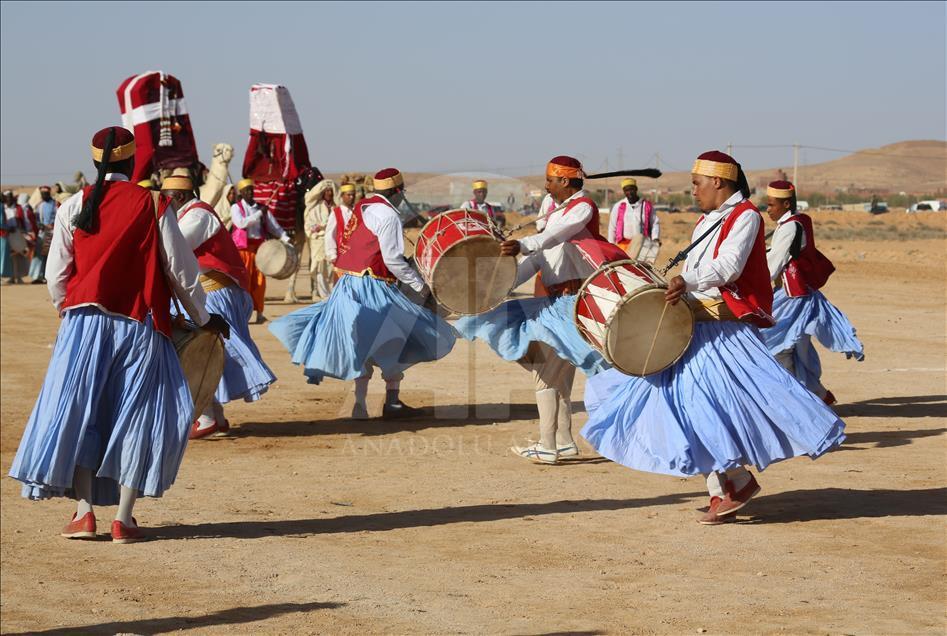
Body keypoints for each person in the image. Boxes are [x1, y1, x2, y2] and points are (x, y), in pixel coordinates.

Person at [580, 151, 846, 525]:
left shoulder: (746, 217)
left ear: (718, 182)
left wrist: (684, 281)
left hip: (723, 329)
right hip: (695, 325)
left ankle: (733, 483)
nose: (693, 191)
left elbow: (729, 266)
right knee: (687, 406)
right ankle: (730, 485)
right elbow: (699, 269)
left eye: (696, 183)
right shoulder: (708, 220)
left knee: (700, 407)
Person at [8, 126, 229, 543]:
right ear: (132, 163)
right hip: (141, 324)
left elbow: (57, 276)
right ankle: (123, 520)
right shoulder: (153, 203)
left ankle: (85, 512)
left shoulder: (75, 204)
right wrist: (203, 318)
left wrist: (70, 310)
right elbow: (180, 271)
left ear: (96, 163)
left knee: (81, 412)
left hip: (83, 323)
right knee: (138, 416)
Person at [456, 156, 625, 464]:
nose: (546, 185)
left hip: (573, 303)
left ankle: (547, 445)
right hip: (552, 302)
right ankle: (563, 439)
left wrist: (523, 244)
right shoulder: (553, 206)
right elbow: (539, 258)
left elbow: (551, 238)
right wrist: (504, 284)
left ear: (564, 181)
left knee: (545, 376)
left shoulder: (582, 207)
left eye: (550, 179)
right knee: (558, 376)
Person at [269, 168, 457, 419]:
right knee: (395, 338)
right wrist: (419, 285)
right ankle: (392, 403)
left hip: (348, 283)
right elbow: (392, 259)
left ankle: (360, 404)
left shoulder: (363, 206)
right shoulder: (389, 215)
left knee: (362, 342)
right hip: (373, 285)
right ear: (397, 191)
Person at [161, 175, 277, 439]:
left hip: (213, 293)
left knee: (198, 352)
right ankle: (215, 416)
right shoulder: (186, 215)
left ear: (179, 197)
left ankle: (206, 416)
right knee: (204, 352)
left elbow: (173, 247)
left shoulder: (197, 217)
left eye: (166, 198)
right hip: (204, 291)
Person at [759, 180, 864, 405]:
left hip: (792, 298)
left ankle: (801, 397)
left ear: (786, 204)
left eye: (771, 204)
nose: (768, 209)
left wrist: (752, 284)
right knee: (796, 348)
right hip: (797, 295)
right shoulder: (795, 223)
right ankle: (816, 395)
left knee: (774, 343)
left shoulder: (789, 227)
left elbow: (775, 263)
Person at [230, 178, 292, 323]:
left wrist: (285, 238)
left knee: (259, 282)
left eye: (252, 190)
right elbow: (241, 223)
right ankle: (242, 315)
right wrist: (258, 214)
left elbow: (274, 227)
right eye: (247, 190)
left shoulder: (262, 208)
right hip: (243, 250)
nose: (250, 192)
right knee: (243, 283)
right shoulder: (236, 208)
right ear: (242, 193)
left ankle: (259, 314)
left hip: (260, 251)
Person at [608, 178, 660, 263]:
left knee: (642, 271)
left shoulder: (646, 205)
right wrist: (611, 246)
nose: (629, 192)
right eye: (626, 190)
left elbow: (654, 223)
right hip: (623, 246)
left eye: (631, 189)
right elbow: (612, 227)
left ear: (636, 189)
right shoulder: (618, 206)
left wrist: (655, 238)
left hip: (643, 246)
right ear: (624, 192)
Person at [302, 179, 338, 299]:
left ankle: (333, 295)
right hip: (319, 242)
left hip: (333, 243)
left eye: (331, 190)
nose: (329, 193)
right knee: (319, 269)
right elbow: (309, 226)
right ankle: (324, 297)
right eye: (327, 190)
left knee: (333, 270)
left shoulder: (336, 208)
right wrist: (322, 227)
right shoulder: (315, 209)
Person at [30, 186, 57, 284]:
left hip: (52, 233)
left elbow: (58, 216)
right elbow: (37, 219)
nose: (43, 195)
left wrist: (52, 225)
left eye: (45, 194)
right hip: (42, 233)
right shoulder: (40, 205)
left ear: (49, 193)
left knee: (49, 255)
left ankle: (47, 276)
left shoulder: (55, 204)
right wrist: (39, 224)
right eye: (42, 194)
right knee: (39, 254)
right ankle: (37, 276)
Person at [325, 183, 356, 265]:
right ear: (342, 196)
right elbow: (330, 234)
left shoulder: (358, 211)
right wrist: (332, 254)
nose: (351, 197)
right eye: (348, 195)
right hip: (341, 254)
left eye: (353, 195)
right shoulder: (336, 213)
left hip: (357, 253)